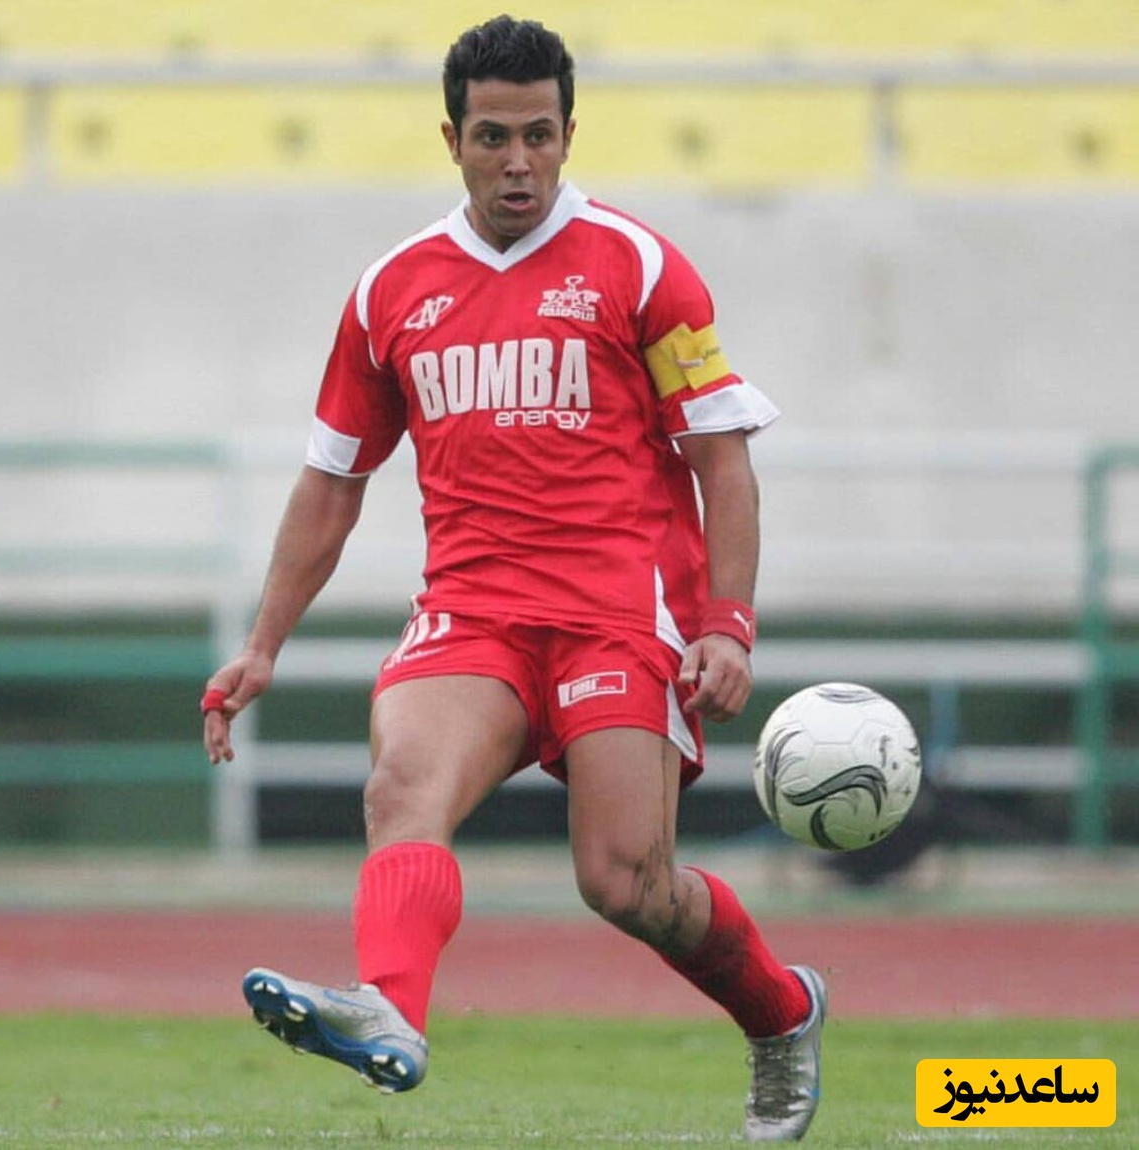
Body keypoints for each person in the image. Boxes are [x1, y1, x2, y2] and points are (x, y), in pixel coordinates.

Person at [201, 14, 825, 1142]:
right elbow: (333, 480)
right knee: (402, 789)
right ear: (452, 140)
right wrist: (263, 643)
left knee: (626, 883)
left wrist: (726, 623)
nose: (519, 161)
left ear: (570, 133)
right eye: (494, 137)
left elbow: (721, 462)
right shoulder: (392, 289)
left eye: (540, 134)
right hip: (472, 615)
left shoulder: (641, 267)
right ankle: (391, 1007)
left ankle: (783, 1014)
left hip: (617, 618)